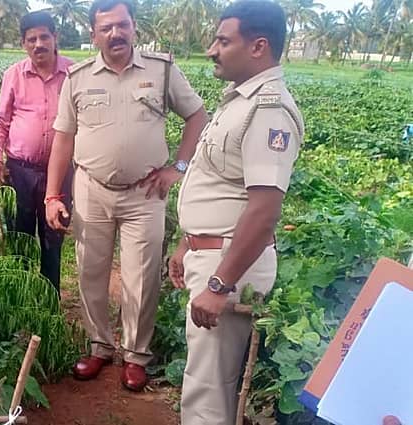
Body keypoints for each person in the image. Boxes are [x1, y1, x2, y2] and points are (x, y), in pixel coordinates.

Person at [44, 0, 207, 390]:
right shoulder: (78, 78)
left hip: (145, 193)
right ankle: (99, 346)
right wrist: (53, 195)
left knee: (141, 276)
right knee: (90, 272)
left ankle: (136, 356)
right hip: (91, 190)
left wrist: (178, 168)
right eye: (106, 28)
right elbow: (63, 139)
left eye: (122, 25)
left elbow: (197, 115)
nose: (115, 34)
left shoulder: (162, 70)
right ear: (93, 34)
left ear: (134, 27)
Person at [168, 2, 304, 423]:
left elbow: (263, 212)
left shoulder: (268, 111)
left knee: (209, 391)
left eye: (224, 41)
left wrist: (220, 283)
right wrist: (185, 245)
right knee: (204, 380)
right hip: (212, 255)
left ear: (259, 46)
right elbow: (219, 185)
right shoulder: (241, 102)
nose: (212, 49)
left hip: (230, 266)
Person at [0, 11, 74, 291]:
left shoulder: (74, 74)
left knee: (53, 238)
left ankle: (49, 306)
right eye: (31, 39)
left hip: (59, 174)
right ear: (24, 43)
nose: (39, 44)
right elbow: (1, 120)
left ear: (55, 38)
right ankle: (21, 303)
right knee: (20, 239)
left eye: (44, 37)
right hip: (20, 171)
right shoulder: (14, 75)